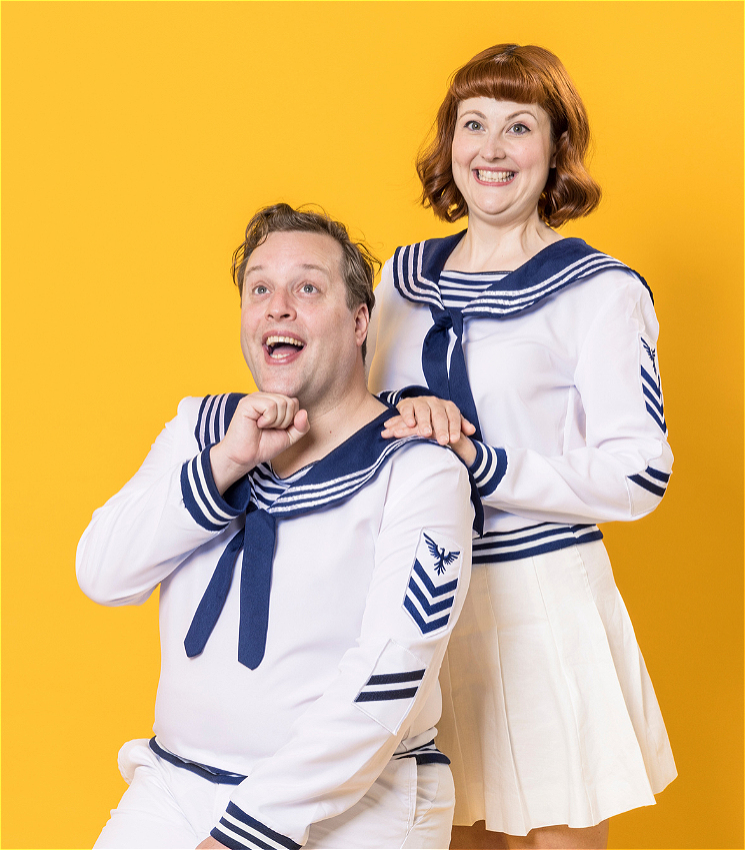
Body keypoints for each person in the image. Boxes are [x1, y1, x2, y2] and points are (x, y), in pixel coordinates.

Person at [77, 203, 475, 850]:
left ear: (357, 323)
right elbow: (101, 573)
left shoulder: (419, 469)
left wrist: (246, 834)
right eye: (259, 287)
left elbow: (391, 672)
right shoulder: (199, 432)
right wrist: (225, 464)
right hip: (174, 786)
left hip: (360, 803)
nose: (277, 306)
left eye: (307, 288)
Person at [366, 44, 676, 849]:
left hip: (539, 598)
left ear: (555, 149)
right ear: (449, 142)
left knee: (551, 836)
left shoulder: (599, 290)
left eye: (517, 128)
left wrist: (485, 463)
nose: (491, 150)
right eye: (473, 125)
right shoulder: (398, 279)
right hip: (421, 595)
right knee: (442, 830)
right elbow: (360, 417)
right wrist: (405, 408)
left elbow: (638, 472)